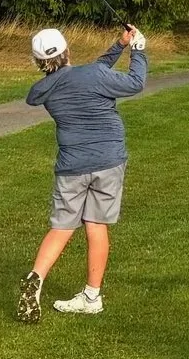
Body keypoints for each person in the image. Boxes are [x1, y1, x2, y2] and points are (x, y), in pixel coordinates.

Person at [16, 24, 146, 323]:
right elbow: (135, 83)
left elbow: (85, 75)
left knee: (62, 227)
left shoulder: (44, 89)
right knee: (96, 225)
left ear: (38, 62)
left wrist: (119, 46)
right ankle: (91, 297)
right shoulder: (92, 75)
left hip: (71, 166)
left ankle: (37, 277)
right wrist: (137, 49)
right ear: (68, 51)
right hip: (108, 161)